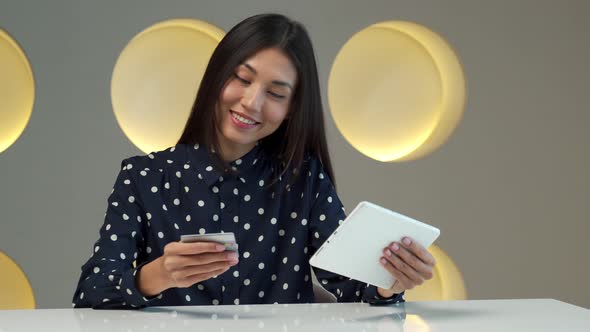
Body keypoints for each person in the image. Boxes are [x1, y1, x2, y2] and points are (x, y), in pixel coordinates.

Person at [72, 13, 436, 309]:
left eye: (275, 93)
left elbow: (355, 288)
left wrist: (391, 281)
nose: (251, 102)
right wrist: (161, 274)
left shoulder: (304, 180)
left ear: (292, 108)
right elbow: (91, 290)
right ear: (215, 78)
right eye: (242, 79)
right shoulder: (144, 177)